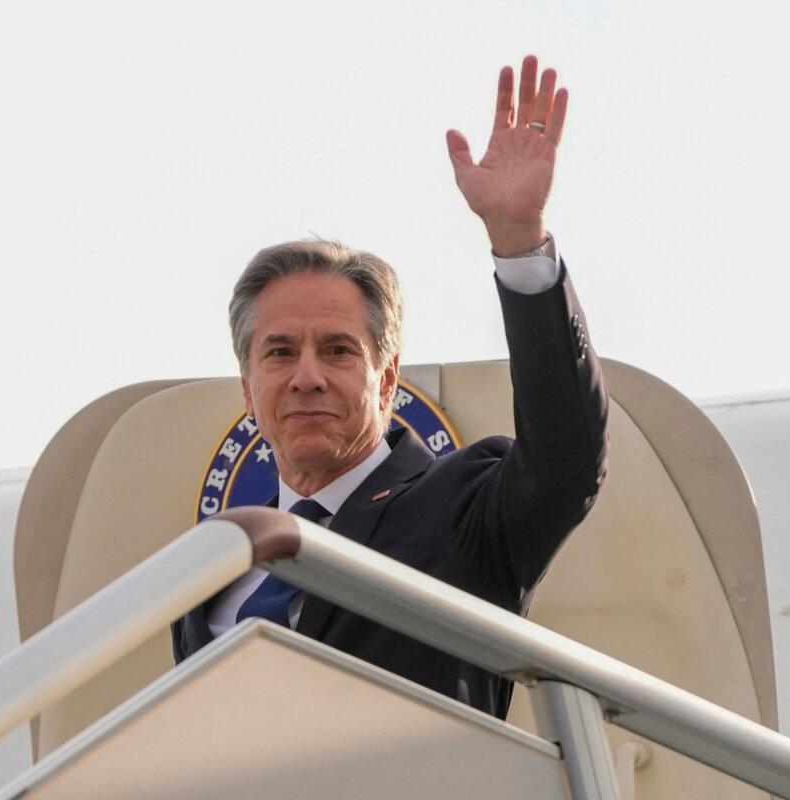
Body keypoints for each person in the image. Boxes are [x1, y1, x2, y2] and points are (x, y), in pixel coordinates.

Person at [172, 55, 609, 720]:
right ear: (247, 384)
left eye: (339, 350)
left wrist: (519, 242)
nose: (307, 376)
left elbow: (567, 460)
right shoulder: (209, 572)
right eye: (281, 352)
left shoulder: (463, 513)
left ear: (387, 379)